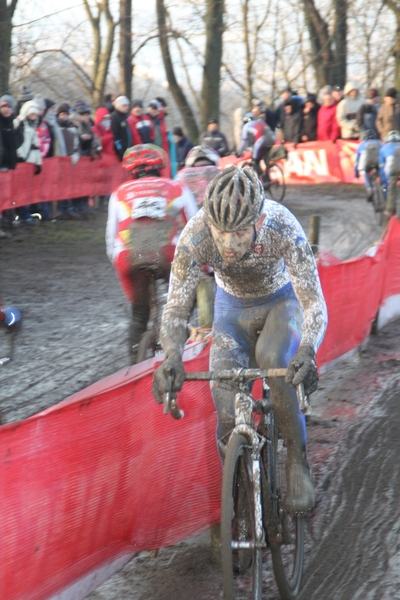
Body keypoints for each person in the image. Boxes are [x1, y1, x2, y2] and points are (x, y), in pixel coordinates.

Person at [153, 166, 327, 514]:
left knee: (275, 358)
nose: (229, 245)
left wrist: (307, 350)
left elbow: (313, 302)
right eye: (220, 232)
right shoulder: (195, 235)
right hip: (230, 312)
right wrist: (171, 355)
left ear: (258, 222)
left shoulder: (282, 225)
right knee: (226, 402)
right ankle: (243, 497)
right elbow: (175, 309)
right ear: (208, 223)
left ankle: (296, 461)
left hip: (280, 303)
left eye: (240, 234)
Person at [105, 144, 198, 363]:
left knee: (139, 313)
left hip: (128, 257)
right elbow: (195, 226)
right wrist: (203, 266)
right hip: (168, 254)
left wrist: (119, 263)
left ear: (131, 171)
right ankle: (179, 345)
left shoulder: (118, 193)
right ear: (160, 167)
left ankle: (133, 366)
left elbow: (110, 238)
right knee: (182, 305)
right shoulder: (177, 187)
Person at [0, 94, 22, 235]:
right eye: (3, 106)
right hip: (1, 164)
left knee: (6, 196)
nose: (6, 109)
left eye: (8, 107)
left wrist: (19, 130)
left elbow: (16, 143)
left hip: (8, 165)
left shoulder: (13, 124)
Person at [236, 112, 275, 179]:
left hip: (261, 140)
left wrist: (240, 151)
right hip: (271, 139)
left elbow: (244, 140)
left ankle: (263, 179)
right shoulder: (260, 122)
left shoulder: (246, 126)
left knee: (255, 161)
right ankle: (268, 178)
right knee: (265, 158)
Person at [354, 129, 382, 202]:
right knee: (382, 177)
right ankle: (384, 189)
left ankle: (369, 188)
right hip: (378, 163)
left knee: (366, 173)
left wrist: (356, 173)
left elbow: (356, 162)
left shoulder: (361, 145)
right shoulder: (379, 142)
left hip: (367, 163)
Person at [111, 96, 139, 160]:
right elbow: (115, 136)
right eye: (124, 105)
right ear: (119, 106)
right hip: (121, 153)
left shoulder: (125, 116)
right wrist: (120, 151)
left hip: (128, 150)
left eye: (127, 105)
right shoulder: (114, 117)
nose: (127, 107)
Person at [379, 130, 400, 217]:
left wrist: (383, 180)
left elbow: (381, 166)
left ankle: (390, 209)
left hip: (392, 171)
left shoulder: (383, 148)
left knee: (386, 187)